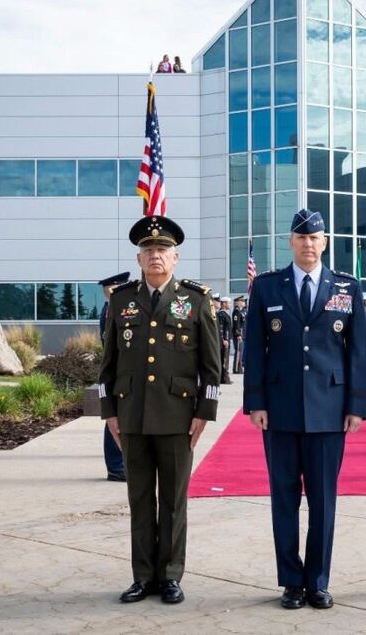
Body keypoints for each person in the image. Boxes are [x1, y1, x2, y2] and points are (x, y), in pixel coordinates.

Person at [243, 209, 366, 610]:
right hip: (278, 411)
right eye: (301, 238)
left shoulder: (347, 287)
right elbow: (254, 350)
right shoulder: (266, 288)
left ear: (325, 242)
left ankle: (317, 581)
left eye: (315, 238)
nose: (308, 244)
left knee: (323, 500)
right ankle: (291, 582)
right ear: (291, 242)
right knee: (283, 498)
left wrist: (356, 406)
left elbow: (359, 352)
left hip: (330, 411)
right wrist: (256, 402)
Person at [98, 214, 221, 605]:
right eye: (148, 249)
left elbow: (212, 367)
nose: (156, 255)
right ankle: (142, 576)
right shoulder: (122, 301)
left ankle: (169, 576)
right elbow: (108, 365)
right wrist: (109, 413)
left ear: (176, 257)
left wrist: (205, 413)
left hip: (178, 417)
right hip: (132, 415)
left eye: (163, 249)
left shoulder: (196, 300)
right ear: (139, 258)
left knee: (172, 500)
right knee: (139, 500)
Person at [98, 272, 131, 482]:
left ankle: (119, 465)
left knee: (120, 418)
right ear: (112, 289)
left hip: (122, 372)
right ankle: (116, 467)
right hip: (117, 372)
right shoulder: (111, 309)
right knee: (115, 419)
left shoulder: (115, 307)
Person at [217, 296, 234, 385]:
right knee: (224, 359)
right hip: (224, 341)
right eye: (228, 303)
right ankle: (223, 378)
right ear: (223, 303)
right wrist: (224, 339)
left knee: (225, 359)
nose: (230, 304)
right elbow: (221, 328)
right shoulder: (221, 314)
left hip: (227, 339)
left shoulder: (225, 314)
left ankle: (224, 377)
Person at [232, 295, 247, 374]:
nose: (244, 302)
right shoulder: (237, 311)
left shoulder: (242, 311)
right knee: (238, 351)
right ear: (238, 302)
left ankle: (239, 368)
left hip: (243, 334)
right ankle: (236, 369)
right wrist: (238, 334)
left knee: (241, 352)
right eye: (242, 301)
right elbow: (236, 324)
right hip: (239, 334)